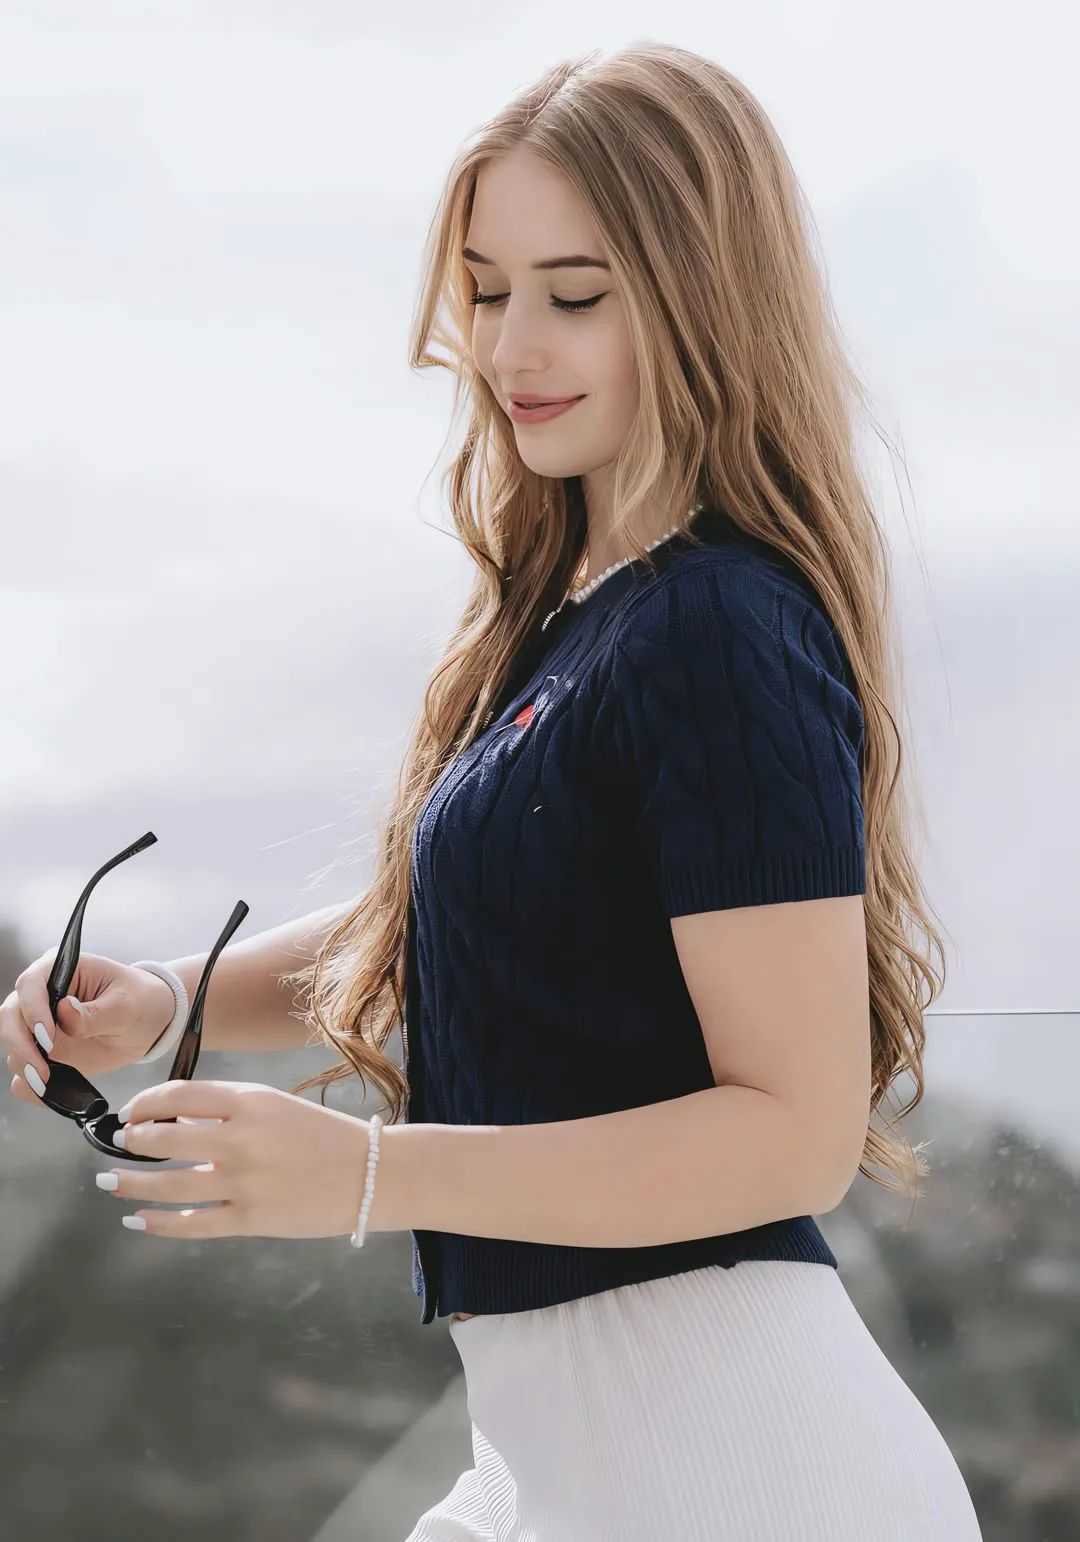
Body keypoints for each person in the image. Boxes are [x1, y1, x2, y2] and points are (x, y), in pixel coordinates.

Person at [4, 41, 984, 1542]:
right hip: (559, 1460)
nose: (513, 345)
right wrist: (166, 996)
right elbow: (453, 924)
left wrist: (367, 1172)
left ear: (706, 301)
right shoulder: (580, 623)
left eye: (575, 294)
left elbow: (794, 1133)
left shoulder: (720, 629)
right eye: (483, 289)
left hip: (739, 1473)